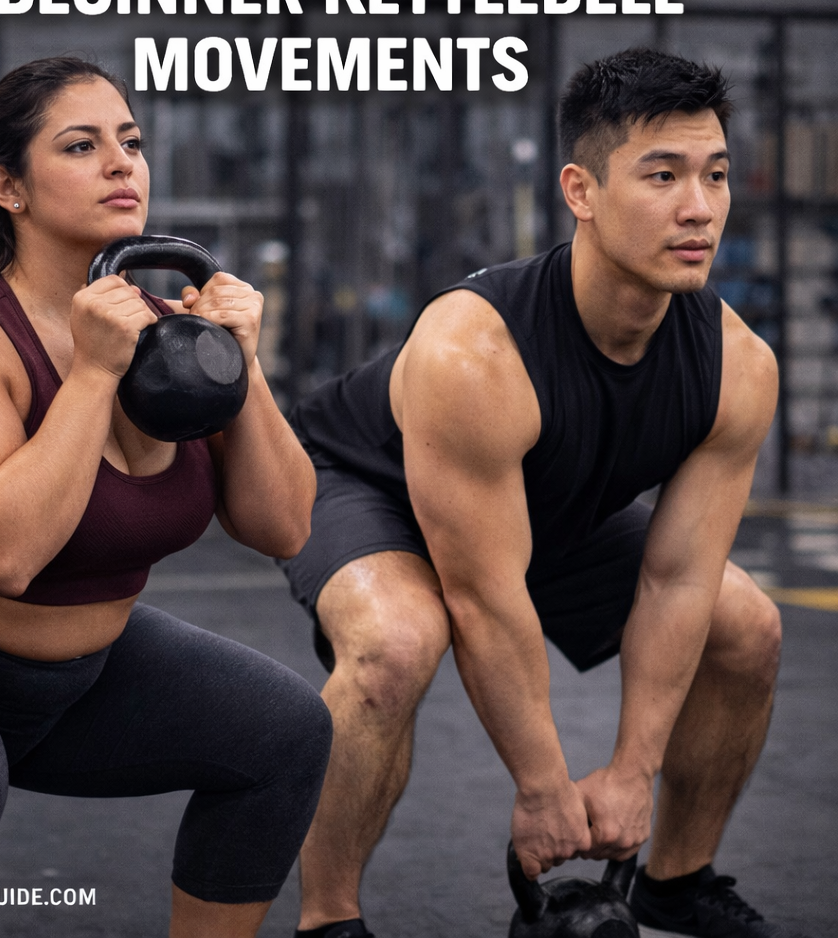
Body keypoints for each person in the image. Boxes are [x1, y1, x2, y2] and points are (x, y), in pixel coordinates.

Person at [277, 47, 808, 938]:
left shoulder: (738, 366)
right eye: (663, 175)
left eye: (715, 175)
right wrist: (543, 789)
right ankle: (329, 920)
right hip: (361, 480)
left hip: (540, 508)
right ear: (580, 190)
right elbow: (485, 598)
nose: (700, 207)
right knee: (397, 643)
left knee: (745, 624)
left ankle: (676, 879)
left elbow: (678, 579)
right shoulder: (474, 353)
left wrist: (632, 773)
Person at [0, 56, 332, 938]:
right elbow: (4, 557)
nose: (122, 163)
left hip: (74, 680)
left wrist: (243, 365)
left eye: (130, 141)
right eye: (82, 146)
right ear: (7, 186)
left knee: (284, 732)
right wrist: (92, 375)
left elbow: (281, 525)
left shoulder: (171, 333)